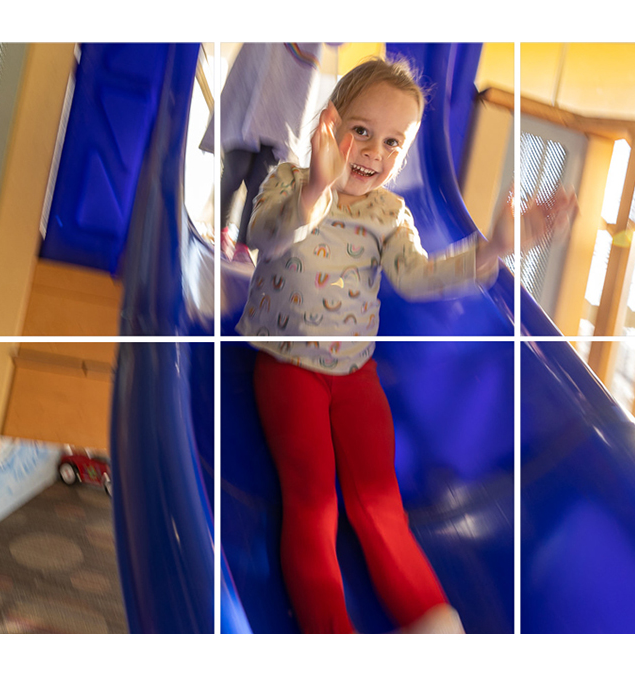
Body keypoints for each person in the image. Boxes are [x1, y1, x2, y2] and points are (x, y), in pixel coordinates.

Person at [240, 56, 576, 634]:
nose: (374, 152)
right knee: (314, 501)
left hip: (355, 377)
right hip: (288, 368)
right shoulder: (290, 184)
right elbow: (263, 239)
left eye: (393, 142)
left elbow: (416, 277)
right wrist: (318, 185)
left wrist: (493, 249)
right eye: (363, 131)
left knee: (378, 502)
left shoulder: (389, 212)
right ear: (329, 123)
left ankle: (432, 625)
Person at [202, 43, 326, 262]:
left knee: (262, 181)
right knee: (235, 169)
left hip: (284, 105)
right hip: (251, 87)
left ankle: (243, 245)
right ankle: (221, 232)